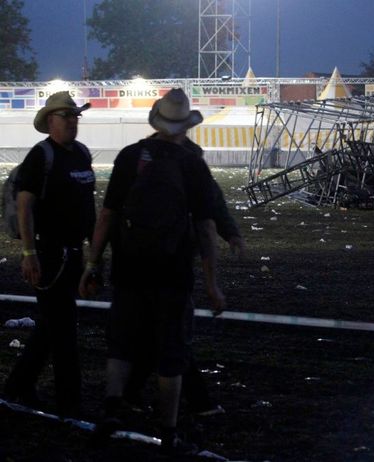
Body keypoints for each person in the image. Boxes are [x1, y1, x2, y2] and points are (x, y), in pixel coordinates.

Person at [79, 88, 225, 454]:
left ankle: (112, 409)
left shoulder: (130, 157)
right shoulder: (192, 162)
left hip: (129, 268)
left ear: (156, 120)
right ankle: (168, 428)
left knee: (122, 344)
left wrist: (92, 263)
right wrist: (212, 283)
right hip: (173, 272)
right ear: (185, 124)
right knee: (171, 352)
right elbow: (206, 227)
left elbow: (108, 215)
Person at [122, 132, 246, 417]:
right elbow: (211, 205)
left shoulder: (143, 155)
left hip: (143, 262)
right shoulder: (181, 160)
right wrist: (229, 238)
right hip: (170, 263)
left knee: (156, 331)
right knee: (172, 332)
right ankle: (195, 401)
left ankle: (129, 394)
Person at [3, 91, 95, 418]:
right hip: (48, 254)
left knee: (50, 326)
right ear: (50, 122)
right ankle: (70, 403)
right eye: (65, 116)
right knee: (64, 327)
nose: (72, 121)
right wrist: (29, 253)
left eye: (74, 116)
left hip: (73, 254)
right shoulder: (41, 157)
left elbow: (88, 206)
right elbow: (25, 206)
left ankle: (18, 386)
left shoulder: (82, 154)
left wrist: (92, 257)